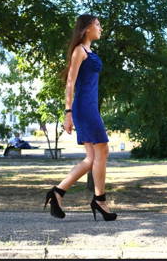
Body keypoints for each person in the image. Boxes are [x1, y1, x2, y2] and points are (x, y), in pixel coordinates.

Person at [43, 14, 117, 221]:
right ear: (86, 29)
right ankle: (100, 199)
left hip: (91, 107)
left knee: (93, 157)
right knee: (102, 149)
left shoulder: (90, 51)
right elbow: (70, 82)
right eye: (98, 25)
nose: (101, 28)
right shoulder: (79, 51)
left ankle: (58, 192)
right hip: (83, 107)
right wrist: (68, 113)